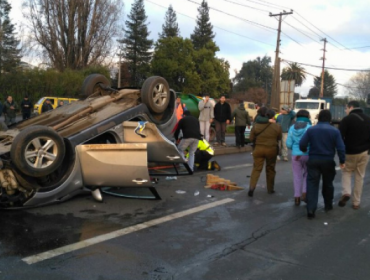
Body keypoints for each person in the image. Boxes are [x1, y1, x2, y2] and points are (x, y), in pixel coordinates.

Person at [299, 110, 345, 220]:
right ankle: (328, 205)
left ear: (318, 118)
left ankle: (311, 209)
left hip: (314, 160)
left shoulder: (311, 130)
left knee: (312, 184)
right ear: (329, 119)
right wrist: (342, 160)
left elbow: (302, 144)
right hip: (328, 161)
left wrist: (305, 149)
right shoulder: (335, 131)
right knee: (328, 183)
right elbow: (340, 148)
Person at [338, 101, 370, 210]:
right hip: (364, 152)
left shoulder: (346, 120)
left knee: (347, 172)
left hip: (349, 152)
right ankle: (356, 202)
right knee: (359, 176)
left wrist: (341, 153)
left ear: (351, 107)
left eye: (346, 108)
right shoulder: (368, 119)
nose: (345, 110)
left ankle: (346, 192)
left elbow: (340, 137)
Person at [248, 108, 282, 197]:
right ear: (272, 116)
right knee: (270, 169)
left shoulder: (256, 125)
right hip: (271, 150)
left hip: (258, 149)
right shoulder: (277, 126)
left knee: (256, 169)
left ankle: (252, 187)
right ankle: (270, 189)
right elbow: (279, 138)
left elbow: (251, 138)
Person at [286, 109, 311, 206]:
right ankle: (304, 193)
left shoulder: (292, 128)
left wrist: (294, 149)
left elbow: (288, 144)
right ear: (307, 117)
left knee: (297, 176)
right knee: (307, 174)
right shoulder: (309, 128)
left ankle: (297, 197)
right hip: (307, 154)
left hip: (296, 155)